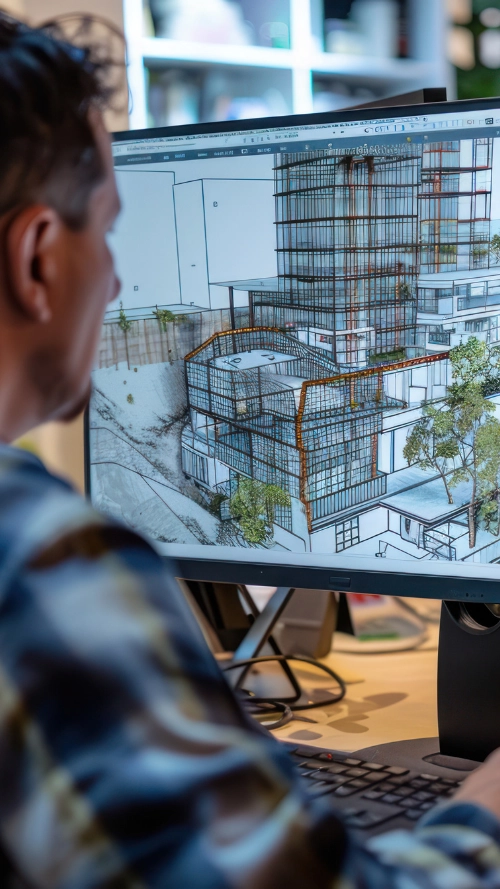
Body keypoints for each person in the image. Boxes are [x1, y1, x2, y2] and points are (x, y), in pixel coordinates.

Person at [0, 10, 500, 888]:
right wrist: (486, 809)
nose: (115, 283)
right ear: (39, 256)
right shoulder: (37, 562)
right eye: (107, 234)